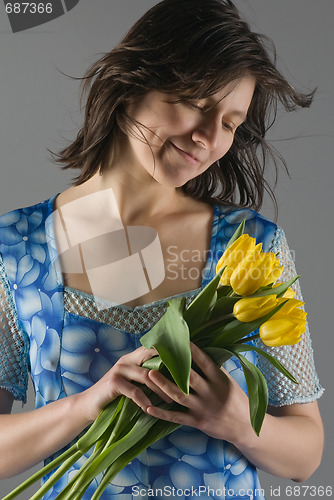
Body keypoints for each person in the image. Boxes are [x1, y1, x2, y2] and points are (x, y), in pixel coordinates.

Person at [0, 1, 324, 499]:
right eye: (197, 102)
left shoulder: (253, 249)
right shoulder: (15, 249)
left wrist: (238, 421)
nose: (210, 137)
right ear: (132, 82)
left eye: (231, 123)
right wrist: (88, 404)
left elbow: (306, 453)